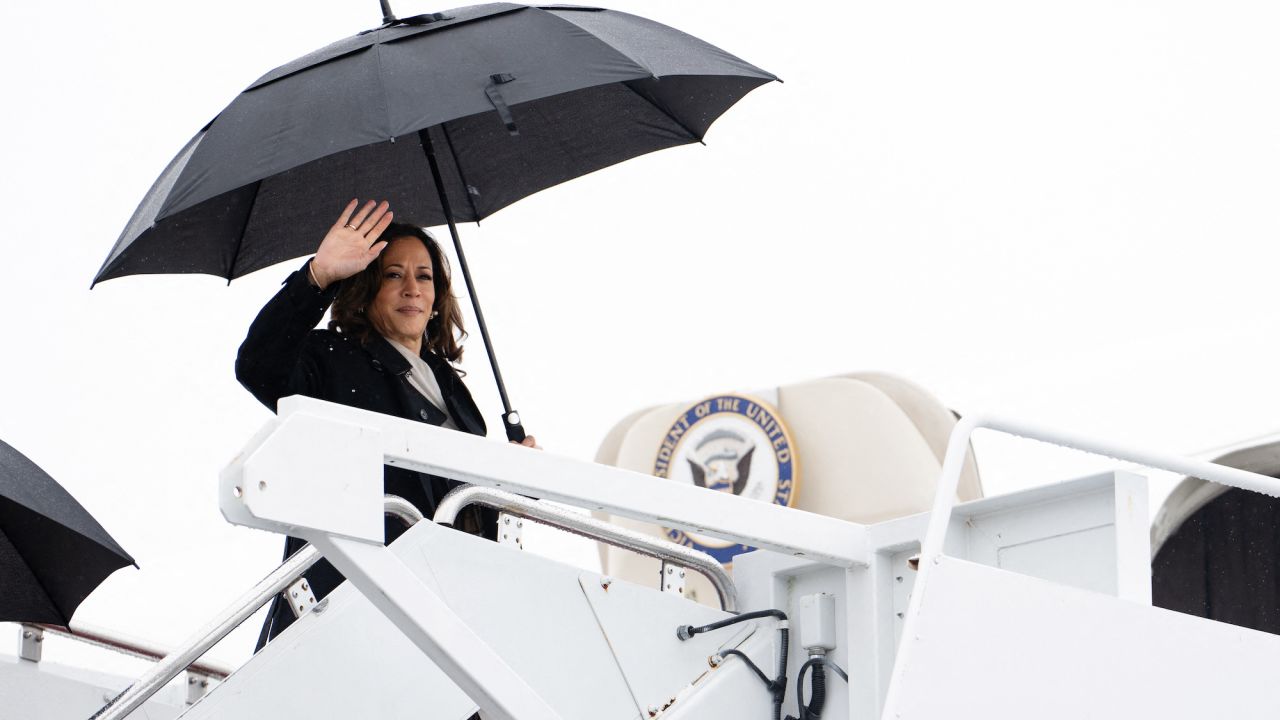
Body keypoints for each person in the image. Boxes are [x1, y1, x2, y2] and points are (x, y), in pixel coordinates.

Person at [236, 199, 536, 646]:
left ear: (437, 297)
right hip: (352, 603)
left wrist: (510, 480)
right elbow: (257, 365)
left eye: (424, 276)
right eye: (393, 275)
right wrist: (318, 276)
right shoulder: (331, 360)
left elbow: (462, 511)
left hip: (445, 609)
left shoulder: (454, 391)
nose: (412, 288)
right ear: (366, 287)